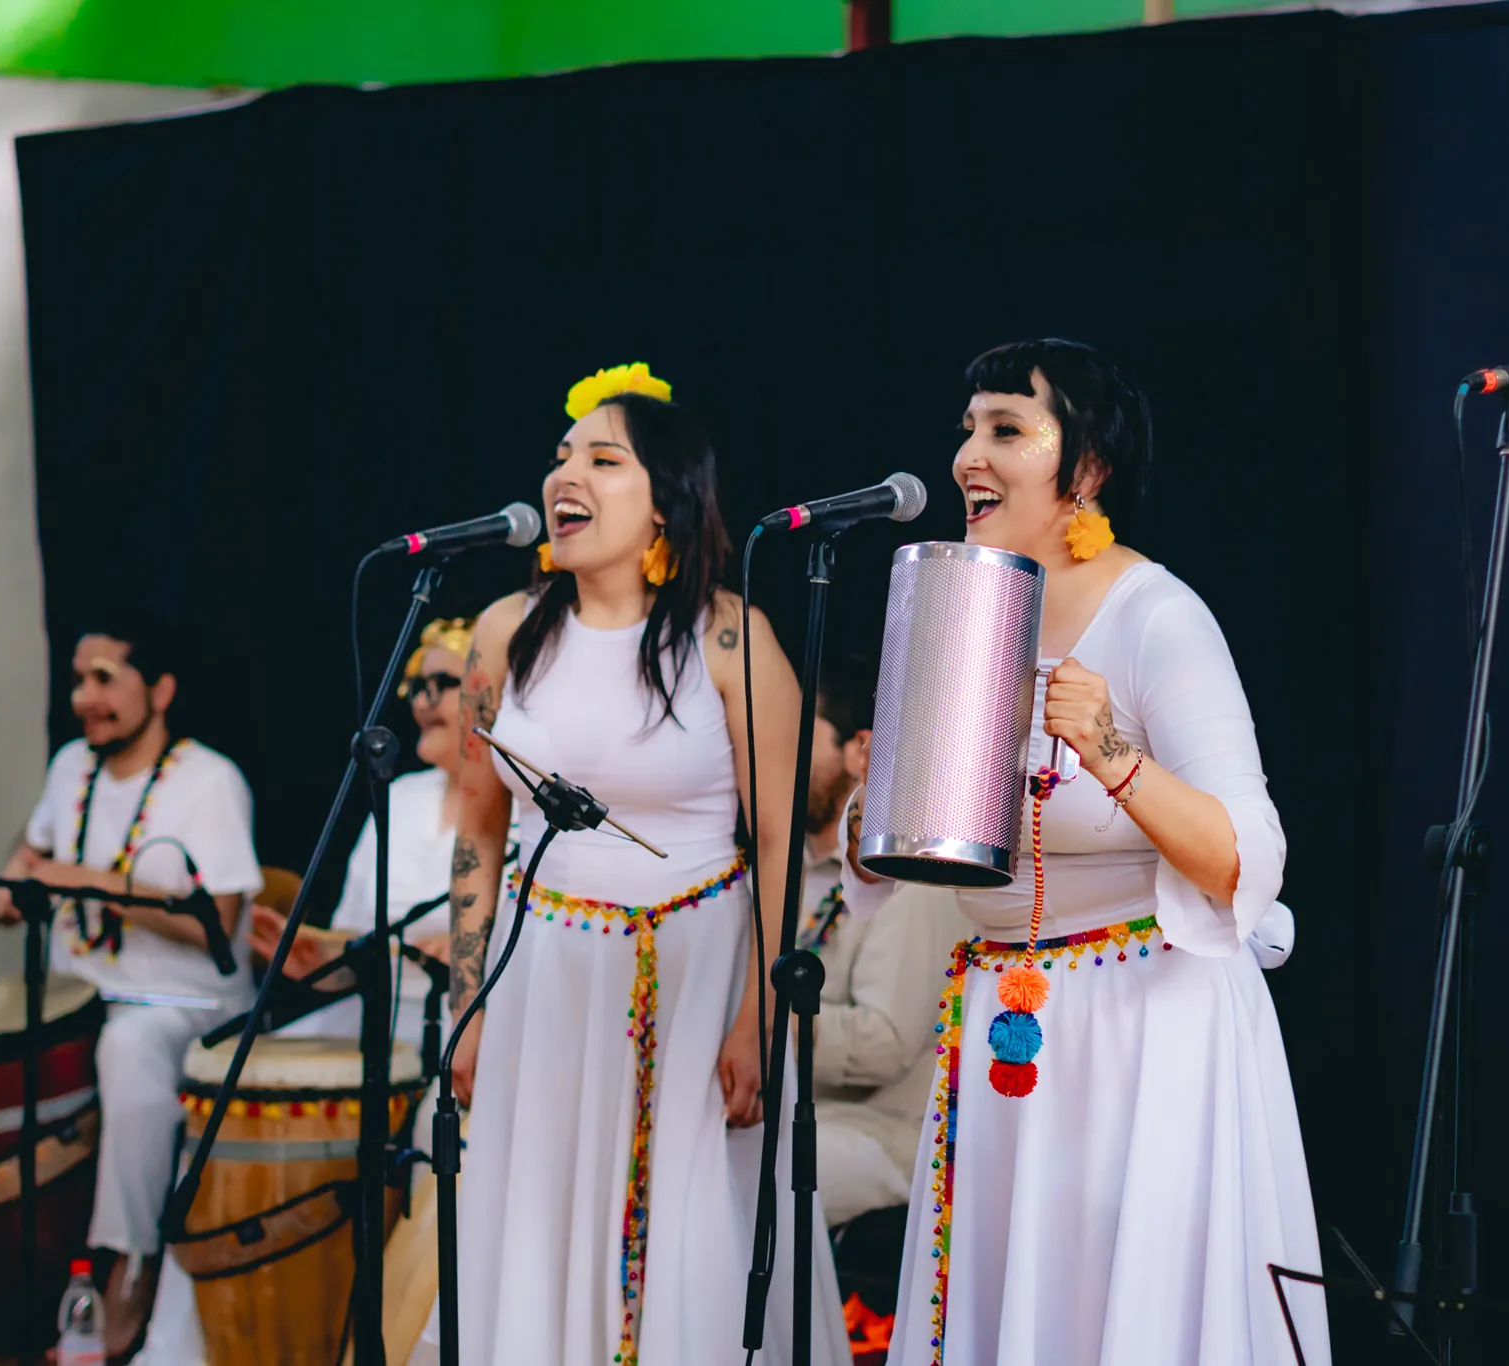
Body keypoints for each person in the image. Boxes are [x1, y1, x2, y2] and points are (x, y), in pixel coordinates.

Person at [844, 340, 1330, 1365]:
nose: (967, 456)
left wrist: (1109, 752)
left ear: (1089, 471)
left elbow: (1248, 862)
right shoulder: (968, 608)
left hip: (1142, 1032)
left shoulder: (1157, 616)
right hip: (1004, 1020)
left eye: (1006, 430)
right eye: (967, 430)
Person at [444, 362, 850, 1366]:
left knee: (689, 1236)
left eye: (600, 457)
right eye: (559, 457)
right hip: (546, 975)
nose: (563, 475)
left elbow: (776, 842)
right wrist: (468, 999)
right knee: (542, 1222)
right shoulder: (503, 635)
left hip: (700, 977)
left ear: (666, 502)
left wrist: (759, 1011)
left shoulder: (725, 637)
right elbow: (476, 832)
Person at [0, 611, 262, 1362]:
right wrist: (18, 876)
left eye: (104, 678)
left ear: (161, 689)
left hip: (187, 1007)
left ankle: (128, 1273)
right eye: (79, 680)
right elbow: (36, 842)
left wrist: (96, 885)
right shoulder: (72, 765)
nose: (84, 697)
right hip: (87, 992)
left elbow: (221, 926)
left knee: (130, 1052)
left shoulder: (209, 781)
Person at [800, 654, 968, 1232]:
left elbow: (883, 1044)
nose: (777, 758)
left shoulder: (912, 871)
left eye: (800, 737)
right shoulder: (781, 871)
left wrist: (764, 1027)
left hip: (888, 1135)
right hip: (799, 1114)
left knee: (750, 1177)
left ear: (860, 751)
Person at [246, 616, 471, 1044]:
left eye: (443, 683)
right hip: (372, 1014)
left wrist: (477, 949)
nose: (423, 703)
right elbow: (353, 941)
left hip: (463, 1024)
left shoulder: (530, 814)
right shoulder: (400, 797)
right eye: (417, 687)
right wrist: (322, 961)